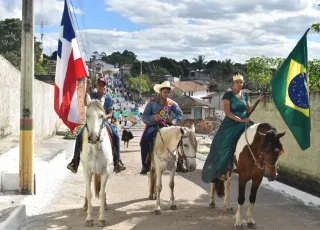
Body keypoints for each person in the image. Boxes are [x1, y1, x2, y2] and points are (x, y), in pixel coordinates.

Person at [201, 72, 264, 183]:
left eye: (241, 82)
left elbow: (249, 110)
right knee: (223, 144)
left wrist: (258, 100)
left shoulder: (245, 95)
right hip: (231, 123)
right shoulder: (228, 95)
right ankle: (222, 170)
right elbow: (228, 112)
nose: (240, 84)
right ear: (233, 83)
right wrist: (240, 120)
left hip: (245, 121)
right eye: (237, 82)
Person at [67, 77, 126, 174]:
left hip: (103, 122)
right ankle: (75, 161)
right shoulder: (92, 96)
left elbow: (111, 113)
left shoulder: (109, 99)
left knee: (115, 136)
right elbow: (86, 102)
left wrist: (104, 117)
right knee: (79, 136)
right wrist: (87, 88)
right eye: (99, 85)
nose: (101, 87)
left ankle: (117, 161)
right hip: (91, 122)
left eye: (103, 85)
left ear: (105, 87)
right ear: (97, 85)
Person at [140, 81, 187, 175]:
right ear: (160, 92)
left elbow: (180, 114)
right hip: (153, 125)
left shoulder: (171, 104)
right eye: (165, 92)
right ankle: (145, 164)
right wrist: (153, 117)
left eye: (168, 92)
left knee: (180, 138)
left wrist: (173, 121)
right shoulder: (151, 103)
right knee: (144, 141)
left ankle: (180, 163)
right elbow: (144, 117)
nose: (166, 94)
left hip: (166, 125)